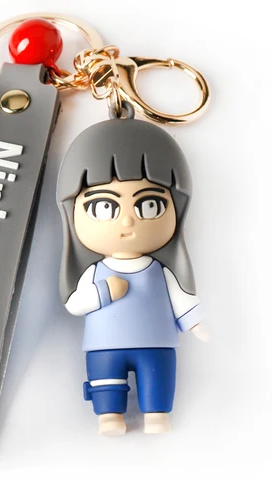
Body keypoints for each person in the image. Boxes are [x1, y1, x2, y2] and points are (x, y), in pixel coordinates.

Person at [57, 117, 209, 435]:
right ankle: (109, 415)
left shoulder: (160, 271)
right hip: (104, 344)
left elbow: (179, 298)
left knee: (158, 379)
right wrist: (103, 292)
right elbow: (75, 304)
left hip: (156, 342)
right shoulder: (94, 272)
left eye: (149, 205)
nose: (127, 221)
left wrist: (194, 322)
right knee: (105, 383)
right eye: (103, 207)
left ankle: (157, 415)